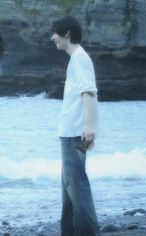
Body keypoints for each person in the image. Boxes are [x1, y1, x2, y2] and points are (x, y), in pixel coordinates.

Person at [51, 15, 101, 236]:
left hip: (74, 133)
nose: (52, 37)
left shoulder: (80, 57)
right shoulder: (76, 59)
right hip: (69, 133)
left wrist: (89, 126)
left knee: (77, 190)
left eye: (55, 32)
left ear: (67, 33)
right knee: (69, 192)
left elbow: (88, 92)